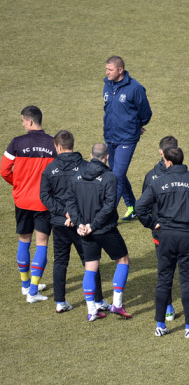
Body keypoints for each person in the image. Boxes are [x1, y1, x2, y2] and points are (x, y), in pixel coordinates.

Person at [134, 147, 189, 338]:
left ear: (168, 162)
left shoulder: (158, 182)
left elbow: (139, 206)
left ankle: (161, 324)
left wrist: (151, 224)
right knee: (187, 280)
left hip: (165, 236)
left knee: (164, 280)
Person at [40, 130, 108, 313]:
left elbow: (44, 196)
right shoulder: (86, 167)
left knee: (61, 261)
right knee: (90, 260)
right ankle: (99, 299)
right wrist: (73, 215)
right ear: (72, 145)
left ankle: (60, 302)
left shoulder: (50, 169)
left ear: (58, 147)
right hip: (83, 223)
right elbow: (92, 194)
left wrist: (64, 214)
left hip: (59, 223)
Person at [65, 143, 132, 321]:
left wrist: (80, 224)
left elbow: (70, 202)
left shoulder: (76, 175)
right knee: (123, 260)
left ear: (90, 155)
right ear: (107, 157)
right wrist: (93, 225)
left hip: (84, 231)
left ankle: (92, 310)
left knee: (90, 267)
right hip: (105, 229)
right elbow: (109, 206)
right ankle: (117, 304)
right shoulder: (110, 177)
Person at [1, 106, 55, 302]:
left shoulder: (16, 142)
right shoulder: (52, 143)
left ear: (30, 121)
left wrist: (18, 185)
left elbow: (4, 170)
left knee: (24, 241)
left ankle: (25, 285)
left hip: (22, 200)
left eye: (23, 121)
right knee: (42, 244)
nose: (22, 124)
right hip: (43, 202)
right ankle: (33, 290)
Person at [102, 55, 152, 221]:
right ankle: (132, 207)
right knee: (118, 174)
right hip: (110, 137)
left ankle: (108, 216)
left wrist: (136, 126)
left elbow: (146, 113)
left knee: (115, 177)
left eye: (110, 69)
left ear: (120, 70)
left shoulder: (135, 88)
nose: (107, 72)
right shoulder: (107, 85)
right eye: (106, 69)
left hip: (127, 139)